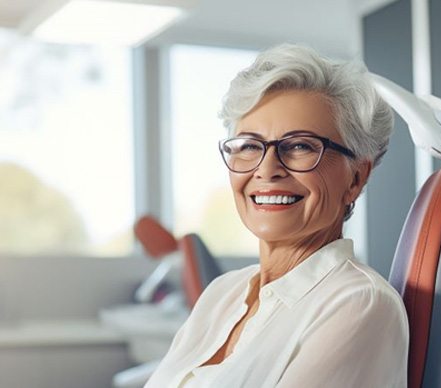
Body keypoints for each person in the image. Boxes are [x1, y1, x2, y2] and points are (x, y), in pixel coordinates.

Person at [145, 44, 409, 388]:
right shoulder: (222, 294)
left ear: (356, 178)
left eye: (300, 146)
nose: (267, 170)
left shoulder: (359, 304)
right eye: (250, 146)